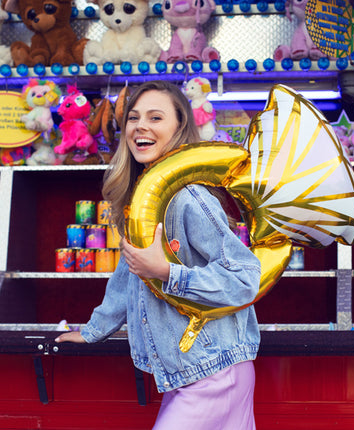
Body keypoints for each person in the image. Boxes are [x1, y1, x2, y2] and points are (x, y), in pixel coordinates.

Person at [55, 80, 261, 429]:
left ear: (180, 128)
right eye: (134, 118)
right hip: (190, 373)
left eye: (155, 117)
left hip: (216, 372)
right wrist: (93, 330)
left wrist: (168, 272)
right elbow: (127, 276)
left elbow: (245, 278)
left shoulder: (188, 198)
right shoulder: (146, 199)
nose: (140, 126)